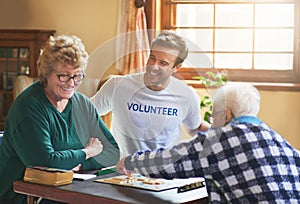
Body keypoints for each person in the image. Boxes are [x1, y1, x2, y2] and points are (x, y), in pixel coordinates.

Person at [116, 82, 300, 203]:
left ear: (227, 115)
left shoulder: (223, 139)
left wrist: (130, 161)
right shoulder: (278, 139)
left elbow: (169, 162)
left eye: (213, 117)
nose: (212, 124)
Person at [0, 35, 120, 204]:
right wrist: (87, 152)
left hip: (70, 188)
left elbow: (112, 152)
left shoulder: (81, 104)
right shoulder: (28, 107)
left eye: (77, 76)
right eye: (63, 76)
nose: (71, 83)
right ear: (47, 74)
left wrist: (76, 164)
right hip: (22, 196)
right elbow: (46, 163)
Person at [91, 31, 210, 157]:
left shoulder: (187, 95)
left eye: (163, 63)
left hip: (164, 170)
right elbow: (82, 113)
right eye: (152, 58)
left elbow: (195, 129)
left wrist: (226, 133)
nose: (153, 66)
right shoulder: (117, 85)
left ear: (176, 67)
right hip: (123, 170)